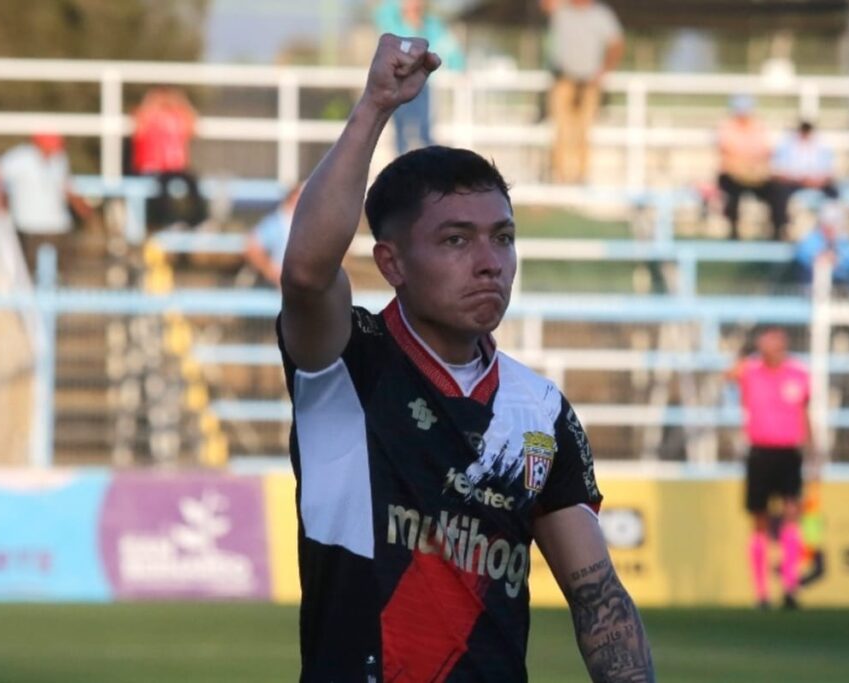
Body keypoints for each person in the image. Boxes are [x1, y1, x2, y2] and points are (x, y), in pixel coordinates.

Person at [278, 34, 654, 681]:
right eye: (456, 239)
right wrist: (374, 106)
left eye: (502, 238)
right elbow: (308, 273)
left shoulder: (538, 410)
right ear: (391, 262)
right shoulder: (348, 365)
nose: (489, 262)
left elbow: (598, 597)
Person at [726, 326, 816, 609]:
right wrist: (748, 353)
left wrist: (813, 450)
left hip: (789, 452)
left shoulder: (798, 374)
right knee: (760, 520)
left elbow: (804, 413)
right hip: (761, 452)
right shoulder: (751, 371)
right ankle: (762, 593)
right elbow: (728, 374)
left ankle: (790, 587)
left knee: (792, 513)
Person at [541, 0, 624, 184]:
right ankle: (560, 176)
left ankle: (581, 176)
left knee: (584, 131)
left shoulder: (601, 14)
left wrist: (605, 70)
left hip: (589, 83)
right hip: (563, 79)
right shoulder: (561, 9)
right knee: (561, 130)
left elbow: (617, 43)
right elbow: (545, 4)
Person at [373, 0, 465, 154]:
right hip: (399, 82)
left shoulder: (431, 25)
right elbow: (381, 15)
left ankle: (427, 171)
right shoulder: (392, 21)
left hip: (423, 84)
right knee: (402, 132)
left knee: (424, 130)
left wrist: (459, 67)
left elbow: (450, 48)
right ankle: (403, 172)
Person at [0, 132, 92, 272]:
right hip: (28, 225)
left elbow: (67, 186)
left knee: (64, 269)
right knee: (28, 269)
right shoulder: (19, 158)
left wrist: (83, 209)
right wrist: (1, 200)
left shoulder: (59, 159)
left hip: (58, 225)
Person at [131, 87, 207, 230]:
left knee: (193, 182)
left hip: (176, 168)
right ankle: (164, 222)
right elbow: (139, 125)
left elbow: (194, 126)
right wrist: (152, 100)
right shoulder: (150, 116)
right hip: (153, 168)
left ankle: (197, 220)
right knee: (162, 188)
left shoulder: (177, 117)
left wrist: (181, 101)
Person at [717, 95, 782, 240]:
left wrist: (752, 165)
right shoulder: (727, 126)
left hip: (755, 175)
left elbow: (765, 152)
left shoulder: (758, 126)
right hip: (733, 175)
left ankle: (777, 232)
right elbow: (728, 153)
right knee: (731, 193)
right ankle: (733, 232)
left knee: (778, 191)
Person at [771, 120, 839, 236]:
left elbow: (829, 172)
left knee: (834, 194)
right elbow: (778, 170)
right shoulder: (787, 145)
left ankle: (831, 229)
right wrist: (799, 179)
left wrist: (817, 180)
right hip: (794, 183)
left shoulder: (821, 147)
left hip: (817, 183)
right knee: (778, 192)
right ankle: (781, 228)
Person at [242, 183, 302, 288]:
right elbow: (252, 246)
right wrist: (271, 270)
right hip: (282, 286)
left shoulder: (308, 221)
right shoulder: (277, 222)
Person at [791, 202, 849, 289]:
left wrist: (837, 259)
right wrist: (818, 257)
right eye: (827, 225)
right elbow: (802, 254)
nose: (831, 228)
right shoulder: (810, 239)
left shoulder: (846, 241)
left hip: (842, 289)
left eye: (834, 224)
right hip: (810, 288)